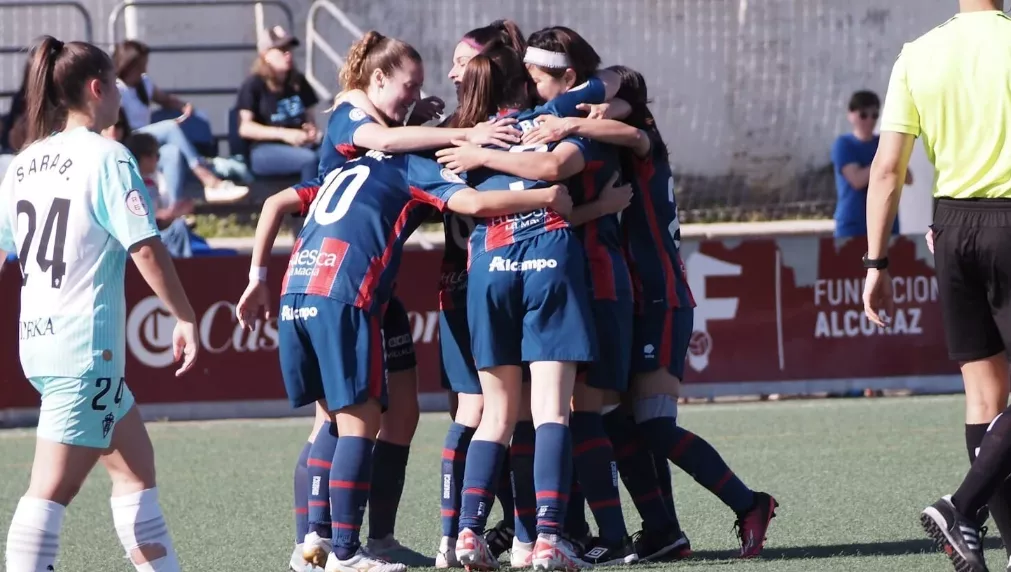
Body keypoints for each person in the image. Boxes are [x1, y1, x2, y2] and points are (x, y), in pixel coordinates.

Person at [236, 85, 571, 571]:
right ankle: (344, 550)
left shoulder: (344, 166)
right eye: (406, 87)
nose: (417, 99)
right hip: (348, 290)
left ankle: (322, 542)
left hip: (312, 286)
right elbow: (473, 205)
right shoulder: (403, 158)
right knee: (357, 420)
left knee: (360, 415)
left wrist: (257, 277)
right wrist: (546, 194)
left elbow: (276, 203)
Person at [525, 65, 779, 560]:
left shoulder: (641, 138)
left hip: (660, 297)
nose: (597, 109)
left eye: (605, 103)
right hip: (638, 299)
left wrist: (570, 123)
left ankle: (750, 503)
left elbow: (632, 131)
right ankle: (662, 530)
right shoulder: (617, 135)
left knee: (654, 425)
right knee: (623, 422)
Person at [437, 28, 642, 566]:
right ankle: (548, 538)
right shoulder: (558, 120)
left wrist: (479, 149)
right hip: (550, 257)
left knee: (494, 415)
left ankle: (467, 532)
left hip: (489, 266)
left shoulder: (471, 134)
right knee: (552, 410)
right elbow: (564, 164)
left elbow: (455, 187)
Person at [0, 35, 199, 572]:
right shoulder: (109, 156)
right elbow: (146, 248)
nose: (120, 95)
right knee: (48, 492)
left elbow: (3, 252)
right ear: (96, 89)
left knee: (135, 472)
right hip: (84, 352)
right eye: (115, 84)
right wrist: (184, 315)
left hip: (41, 347)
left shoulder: (22, 164)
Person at [861, 2, 1011, 571]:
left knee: (984, 400)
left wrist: (876, 261)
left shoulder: (917, 53)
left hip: (950, 228)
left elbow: (887, 167)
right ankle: (962, 507)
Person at [437, 19, 527, 568]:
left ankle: (458, 538)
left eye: (459, 61)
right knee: (515, 413)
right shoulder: (490, 131)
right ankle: (520, 534)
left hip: (462, 283)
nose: (451, 71)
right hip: (499, 277)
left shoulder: (450, 131)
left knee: (480, 411)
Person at [113, 39, 249, 204]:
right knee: (171, 128)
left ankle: (173, 210)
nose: (144, 69)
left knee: (172, 153)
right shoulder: (116, 88)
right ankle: (209, 179)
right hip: (128, 140)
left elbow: (165, 99)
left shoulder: (144, 84)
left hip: (146, 141)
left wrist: (183, 107)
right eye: (141, 65)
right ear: (128, 65)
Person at [236, 26, 323, 184]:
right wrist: (285, 134)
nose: (288, 54)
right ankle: (307, 206)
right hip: (264, 150)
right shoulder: (254, 84)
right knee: (309, 160)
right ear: (265, 54)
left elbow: (311, 120)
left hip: (301, 145)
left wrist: (310, 131)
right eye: (281, 49)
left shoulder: (298, 81)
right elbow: (245, 128)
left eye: (289, 48)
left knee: (333, 154)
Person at [831, 90, 908, 239]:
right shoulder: (844, 144)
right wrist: (885, 160)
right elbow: (857, 180)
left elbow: (907, 177)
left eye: (874, 116)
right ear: (851, 115)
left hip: (887, 224)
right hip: (854, 226)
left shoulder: (884, 142)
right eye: (863, 115)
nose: (869, 121)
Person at [124, 133, 197, 258]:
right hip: (137, 242)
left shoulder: (151, 182)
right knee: (178, 229)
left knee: (179, 227)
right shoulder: (130, 185)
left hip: (152, 236)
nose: (157, 160)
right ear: (142, 157)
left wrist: (173, 214)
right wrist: (172, 214)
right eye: (154, 155)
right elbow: (142, 221)